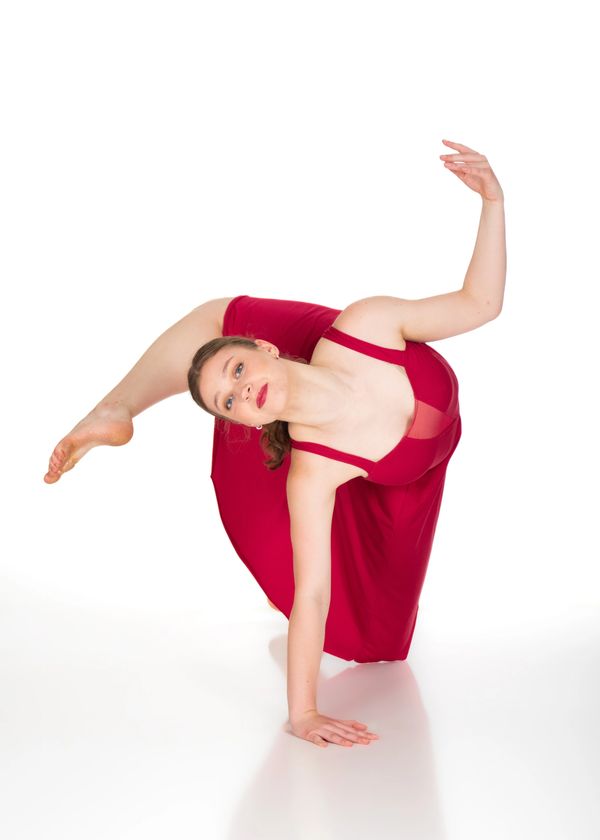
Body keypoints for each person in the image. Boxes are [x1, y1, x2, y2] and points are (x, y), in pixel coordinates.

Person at [44, 139, 506, 749]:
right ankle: (121, 410)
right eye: (227, 404)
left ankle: (118, 405)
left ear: (260, 346)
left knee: (219, 314)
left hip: (338, 356)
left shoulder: (366, 325)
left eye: (238, 373)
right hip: (410, 466)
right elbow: (311, 594)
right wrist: (304, 713)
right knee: (382, 641)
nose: (241, 394)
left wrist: (493, 201)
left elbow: (481, 304)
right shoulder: (312, 474)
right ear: (241, 424)